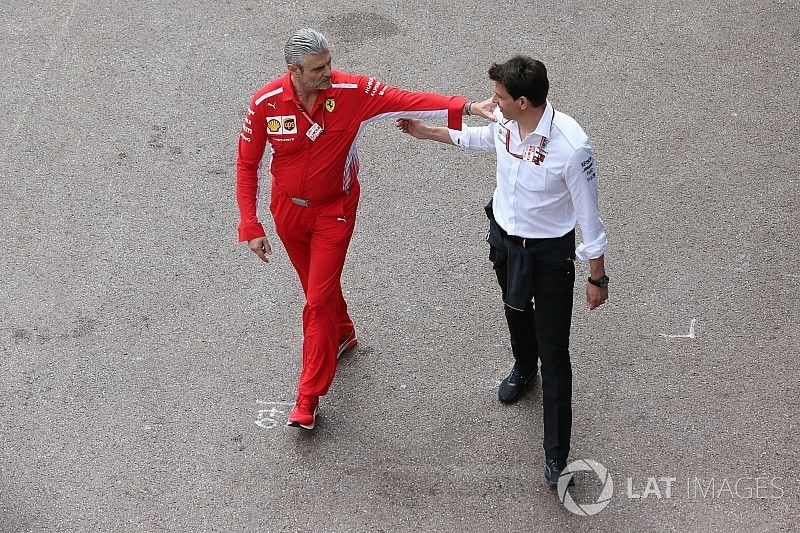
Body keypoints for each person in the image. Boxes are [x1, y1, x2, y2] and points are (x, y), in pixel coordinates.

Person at [236, 28, 494, 430]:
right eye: (319, 68)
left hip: (334, 212)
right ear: (293, 70)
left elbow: (406, 99)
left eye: (330, 64)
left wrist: (466, 107)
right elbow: (247, 164)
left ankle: (307, 397)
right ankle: (342, 334)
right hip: (287, 212)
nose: (328, 73)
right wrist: (250, 223)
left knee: (316, 301)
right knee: (315, 289)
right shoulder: (266, 103)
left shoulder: (352, 91)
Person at [396, 55, 609, 486]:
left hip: (549, 255)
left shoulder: (571, 146)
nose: (491, 101)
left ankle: (555, 453)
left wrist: (596, 276)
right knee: (514, 311)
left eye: (499, 96)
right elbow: (479, 140)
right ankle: (522, 367)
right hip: (506, 241)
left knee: (556, 352)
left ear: (525, 101)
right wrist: (426, 132)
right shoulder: (506, 123)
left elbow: (590, 217)